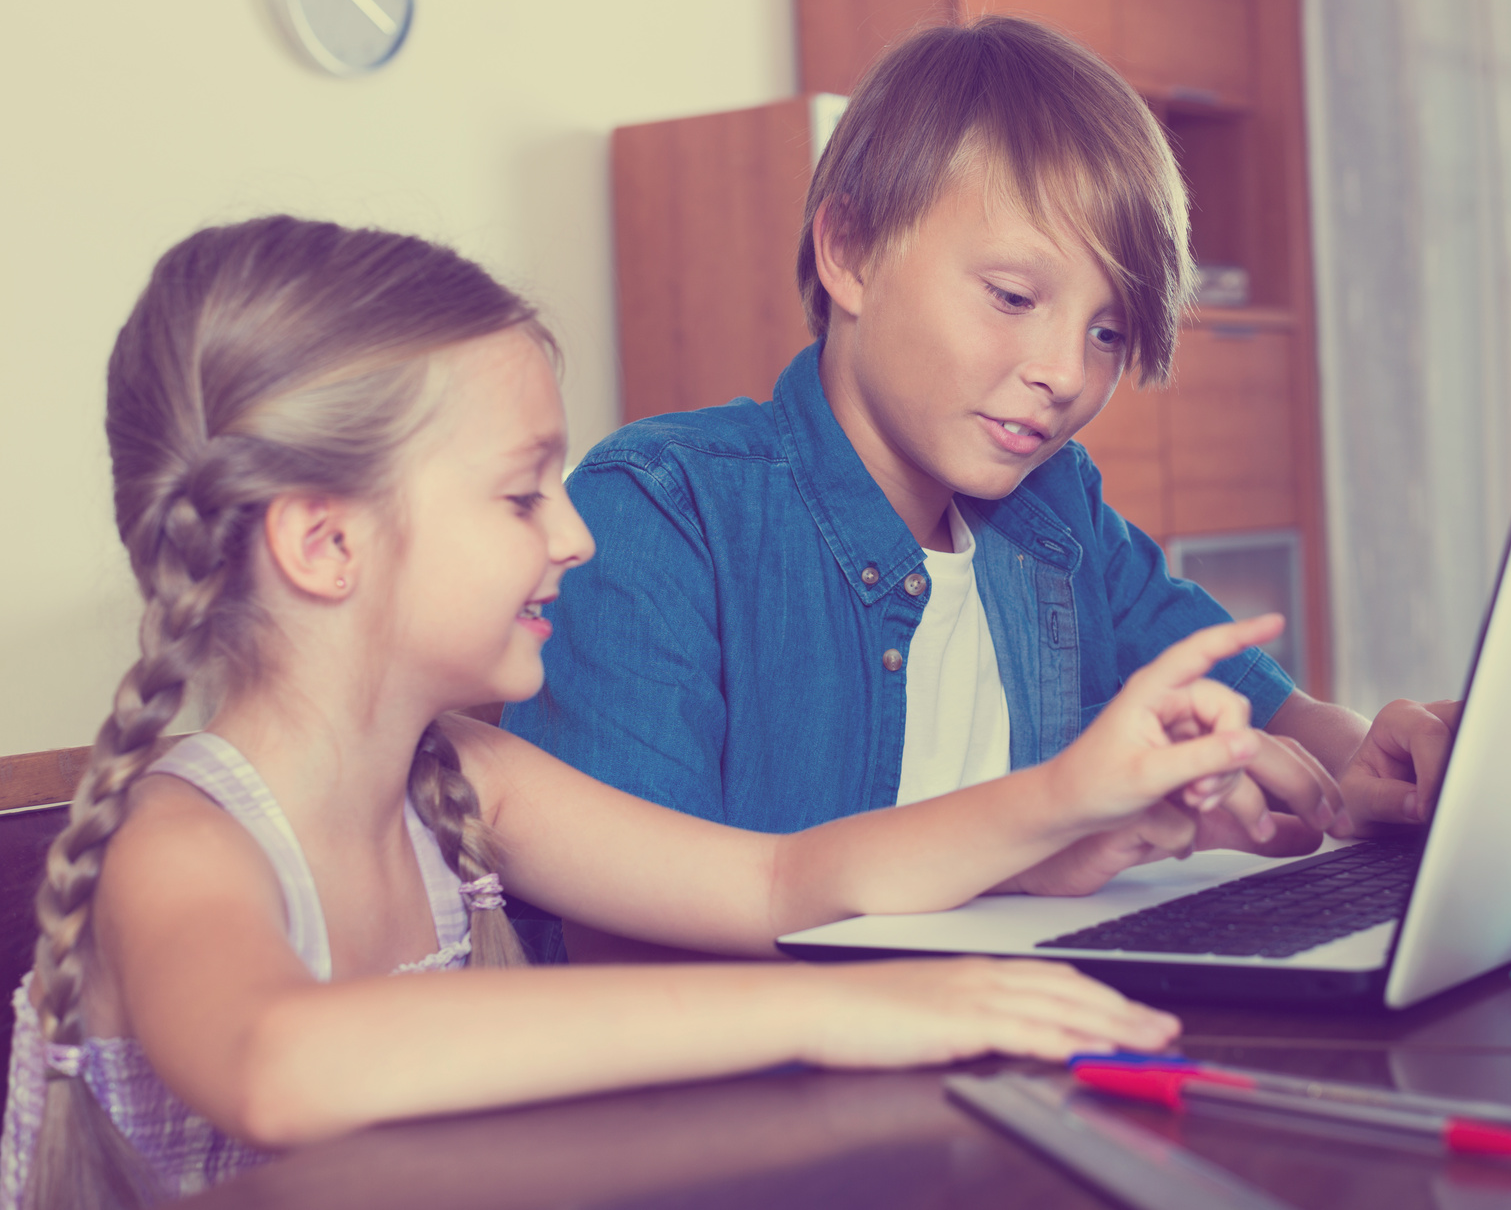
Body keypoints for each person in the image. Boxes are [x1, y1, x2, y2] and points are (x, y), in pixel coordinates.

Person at [2, 215, 1284, 1209]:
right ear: (323, 541)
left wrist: (1068, 803)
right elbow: (279, 1061)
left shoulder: (468, 781)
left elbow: (780, 881)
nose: (572, 532)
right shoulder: (181, 841)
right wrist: (850, 1008)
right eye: (521, 496)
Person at [508, 16, 1459, 920]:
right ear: (850, 252)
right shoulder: (664, 513)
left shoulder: (1057, 510)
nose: (1063, 373)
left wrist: (1364, 758)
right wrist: (1028, 854)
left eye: (1107, 333)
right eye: (1011, 296)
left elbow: (1276, 715)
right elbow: (623, 934)